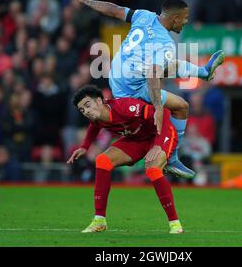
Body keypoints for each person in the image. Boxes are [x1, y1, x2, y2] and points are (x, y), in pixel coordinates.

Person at [72, 0, 225, 179]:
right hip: (132, 92)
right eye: (185, 18)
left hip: (118, 78)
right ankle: (172, 158)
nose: (186, 21)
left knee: (170, 66)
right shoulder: (166, 44)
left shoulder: (144, 16)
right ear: (176, 18)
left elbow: (115, 10)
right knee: (182, 107)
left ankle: (203, 72)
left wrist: (86, 1)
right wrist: (159, 108)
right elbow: (153, 74)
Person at [67, 85, 183, 234]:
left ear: (99, 101)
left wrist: (158, 146)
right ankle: (99, 220)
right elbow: (94, 127)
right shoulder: (97, 117)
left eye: (87, 105)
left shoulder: (124, 107)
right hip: (137, 139)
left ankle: (175, 224)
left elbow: (164, 113)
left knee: (152, 170)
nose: (86, 111)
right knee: (102, 160)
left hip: (160, 134)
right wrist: (85, 147)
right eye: (82, 110)